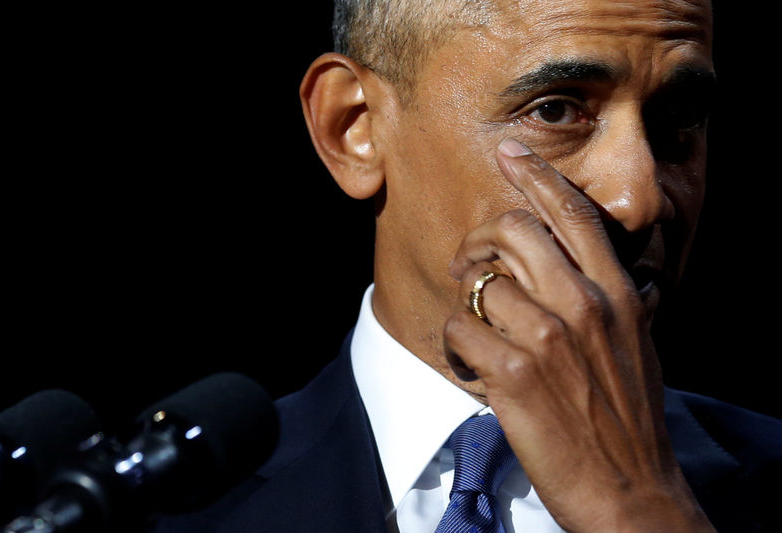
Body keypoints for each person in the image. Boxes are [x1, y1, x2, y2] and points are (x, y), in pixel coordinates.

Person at [149, 0, 780, 531]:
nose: (639, 198)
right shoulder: (161, 512)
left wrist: (641, 509)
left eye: (679, 120)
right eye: (555, 110)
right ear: (354, 128)